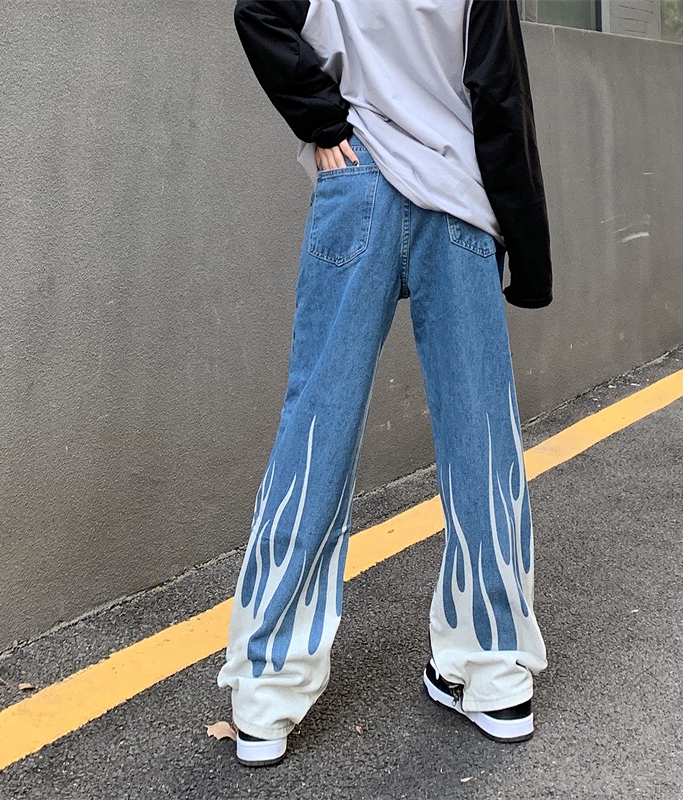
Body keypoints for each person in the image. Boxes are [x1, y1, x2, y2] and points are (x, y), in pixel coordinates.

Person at [217, 0, 553, 767]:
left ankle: (266, 693)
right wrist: (529, 248)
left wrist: (323, 122)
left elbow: (259, 12)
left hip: (357, 180)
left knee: (317, 426)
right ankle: (495, 672)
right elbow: (497, 91)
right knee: (482, 437)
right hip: (457, 195)